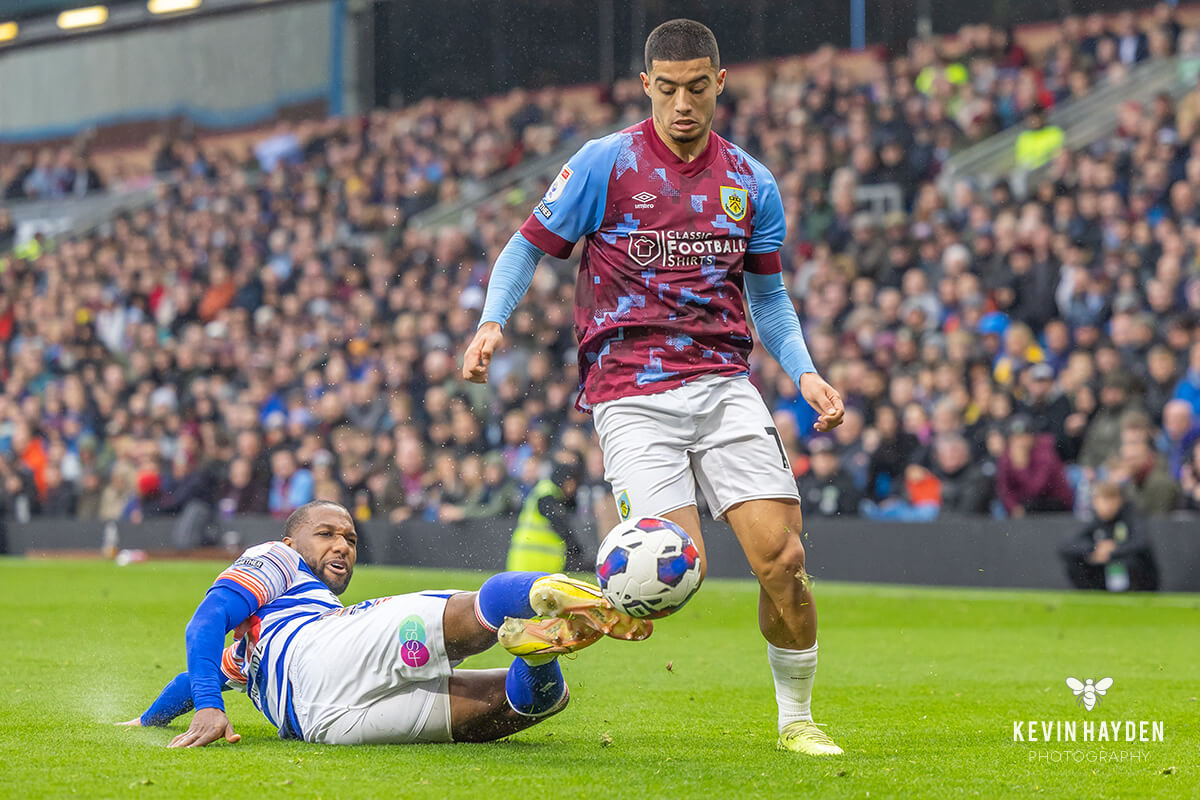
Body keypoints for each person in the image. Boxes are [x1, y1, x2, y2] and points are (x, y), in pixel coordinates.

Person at [462, 19, 845, 757]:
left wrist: (805, 371)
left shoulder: (749, 182)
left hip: (724, 385)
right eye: (666, 89)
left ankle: (796, 718)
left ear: (719, 83)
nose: (681, 104)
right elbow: (525, 245)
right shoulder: (604, 164)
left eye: (697, 88)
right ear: (646, 87)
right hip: (631, 393)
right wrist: (491, 321)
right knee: (672, 576)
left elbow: (767, 299)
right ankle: (552, 627)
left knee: (785, 562)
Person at [119, 501, 651, 745]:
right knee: (475, 612)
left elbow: (199, 674)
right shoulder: (277, 561)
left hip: (323, 722)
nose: (341, 546)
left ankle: (536, 646)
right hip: (322, 671)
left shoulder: (264, 640)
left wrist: (153, 719)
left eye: (349, 539)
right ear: (291, 542)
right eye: (326, 533)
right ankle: (547, 593)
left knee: (528, 707)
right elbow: (205, 625)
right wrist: (204, 710)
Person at [1058, 481, 1159, 591]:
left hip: (1134, 574)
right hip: (1102, 572)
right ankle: (1090, 594)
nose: (1106, 506)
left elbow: (1141, 542)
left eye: (1110, 500)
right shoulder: (1095, 519)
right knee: (1075, 559)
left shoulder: (1131, 515)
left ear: (1119, 501)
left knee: (1131, 560)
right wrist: (1095, 549)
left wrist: (1114, 550)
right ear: (1094, 502)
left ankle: (1132, 593)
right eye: (1101, 501)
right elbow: (1068, 545)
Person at [507, 450, 589, 572]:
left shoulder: (544, 490)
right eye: (573, 482)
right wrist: (575, 548)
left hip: (527, 562)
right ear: (566, 481)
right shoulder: (547, 495)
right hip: (532, 563)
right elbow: (559, 525)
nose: (574, 488)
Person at [995, 415, 1073, 517]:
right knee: (998, 507)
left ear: (1032, 437)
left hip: (1055, 504)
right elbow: (1004, 489)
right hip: (1026, 504)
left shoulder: (1045, 454)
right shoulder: (1007, 456)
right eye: (1015, 438)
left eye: (1023, 437)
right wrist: (1014, 508)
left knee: (1030, 507)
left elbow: (1036, 491)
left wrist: (1021, 468)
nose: (1019, 442)